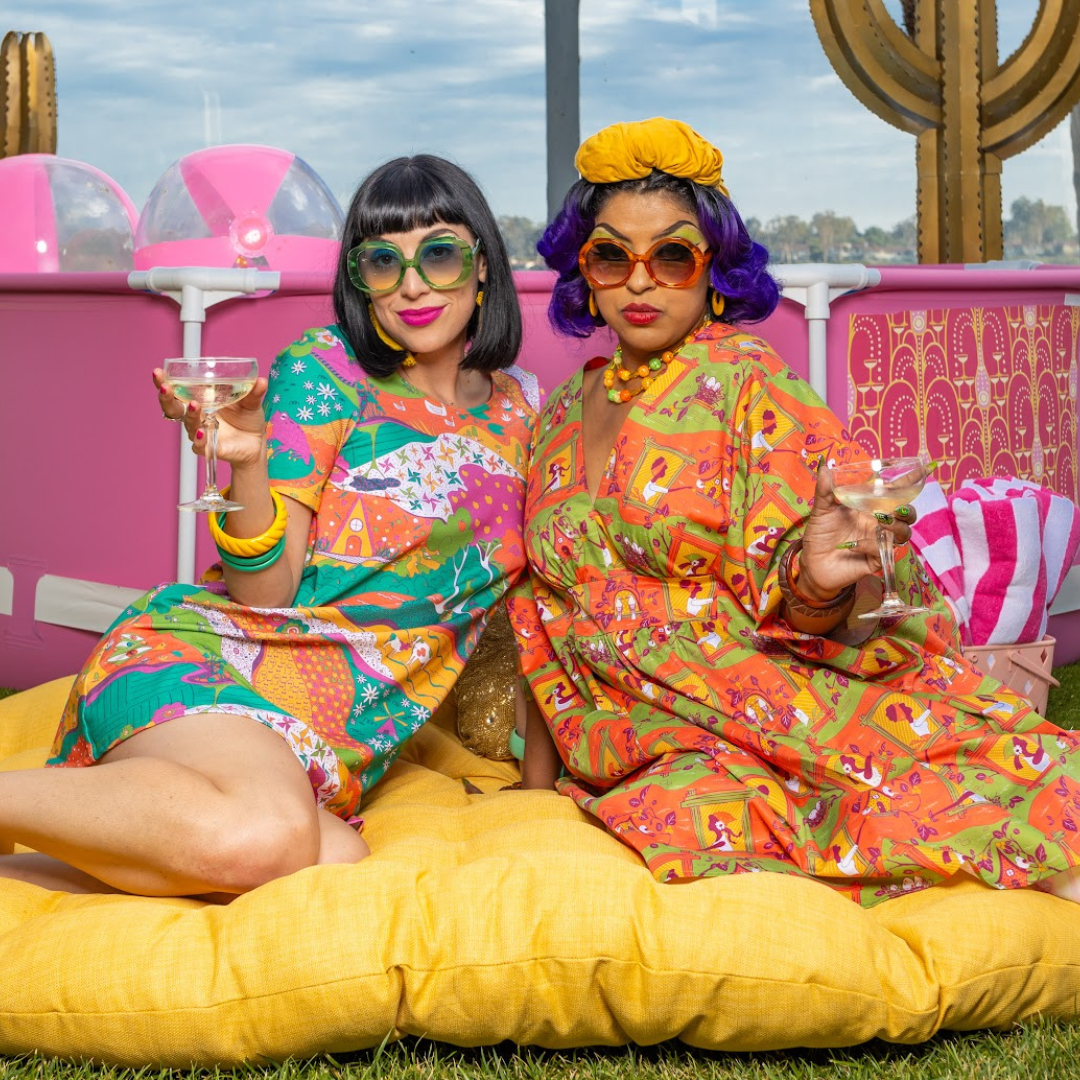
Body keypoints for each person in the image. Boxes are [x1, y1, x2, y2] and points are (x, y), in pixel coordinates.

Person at [509, 117, 1080, 906]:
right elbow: (547, 617)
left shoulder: (750, 384)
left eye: (671, 255)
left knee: (957, 796)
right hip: (628, 729)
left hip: (757, 692)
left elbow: (836, 587)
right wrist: (533, 798)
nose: (640, 281)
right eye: (612, 255)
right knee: (684, 819)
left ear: (714, 271)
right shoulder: (560, 412)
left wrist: (815, 579)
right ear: (585, 269)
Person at [0, 154, 539, 898]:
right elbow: (266, 594)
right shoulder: (327, 371)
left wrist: (539, 769)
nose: (413, 284)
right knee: (268, 836)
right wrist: (248, 464)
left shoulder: (525, 413)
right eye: (384, 261)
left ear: (483, 268)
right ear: (361, 280)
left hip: (332, 737)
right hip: (209, 662)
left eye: (439, 255)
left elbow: (540, 597)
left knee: (333, 859)